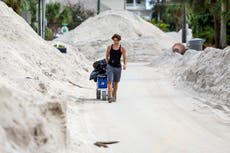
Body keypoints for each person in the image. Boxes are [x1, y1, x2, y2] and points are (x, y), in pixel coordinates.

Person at [106, 34, 127, 103]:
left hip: (118, 67)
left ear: (119, 40)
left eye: (117, 40)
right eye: (114, 40)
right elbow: (107, 56)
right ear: (113, 40)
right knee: (109, 81)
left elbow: (124, 57)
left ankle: (114, 95)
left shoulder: (122, 48)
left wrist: (124, 64)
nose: (115, 42)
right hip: (110, 66)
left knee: (116, 82)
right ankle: (109, 96)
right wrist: (107, 63)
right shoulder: (109, 47)